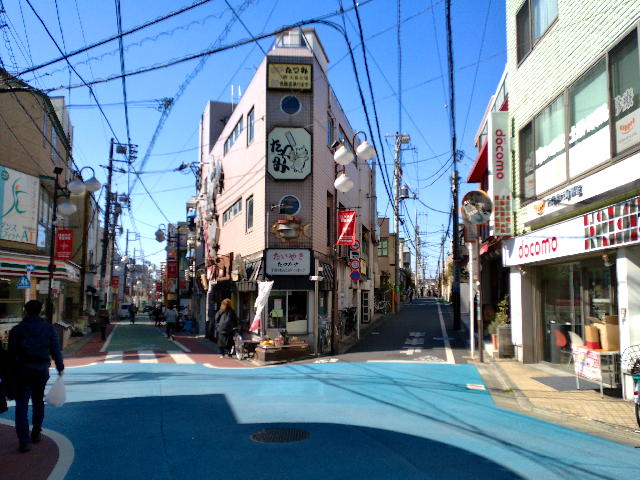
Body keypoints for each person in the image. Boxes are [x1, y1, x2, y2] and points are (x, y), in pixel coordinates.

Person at [7, 300, 64, 453]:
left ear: (25, 311)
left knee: (22, 405)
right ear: (40, 312)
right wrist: (60, 367)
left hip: (22, 371)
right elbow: (55, 349)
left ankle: (24, 441)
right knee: (38, 401)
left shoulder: (17, 330)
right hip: (41, 370)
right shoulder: (48, 328)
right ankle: (36, 432)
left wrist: (9, 374)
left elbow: (11, 354)